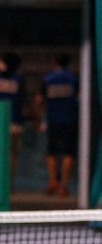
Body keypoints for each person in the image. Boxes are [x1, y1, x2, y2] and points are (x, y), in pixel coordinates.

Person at [36, 54, 79, 197]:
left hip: (53, 120)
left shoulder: (48, 79)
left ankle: (53, 181)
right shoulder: (73, 79)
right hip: (70, 121)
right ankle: (63, 185)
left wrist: (39, 117)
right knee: (68, 153)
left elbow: (39, 99)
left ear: (55, 62)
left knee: (52, 152)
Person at [0, 51, 27, 179]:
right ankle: (7, 183)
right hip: (13, 122)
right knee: (11, 154)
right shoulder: (18, 80)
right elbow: (23, 101)